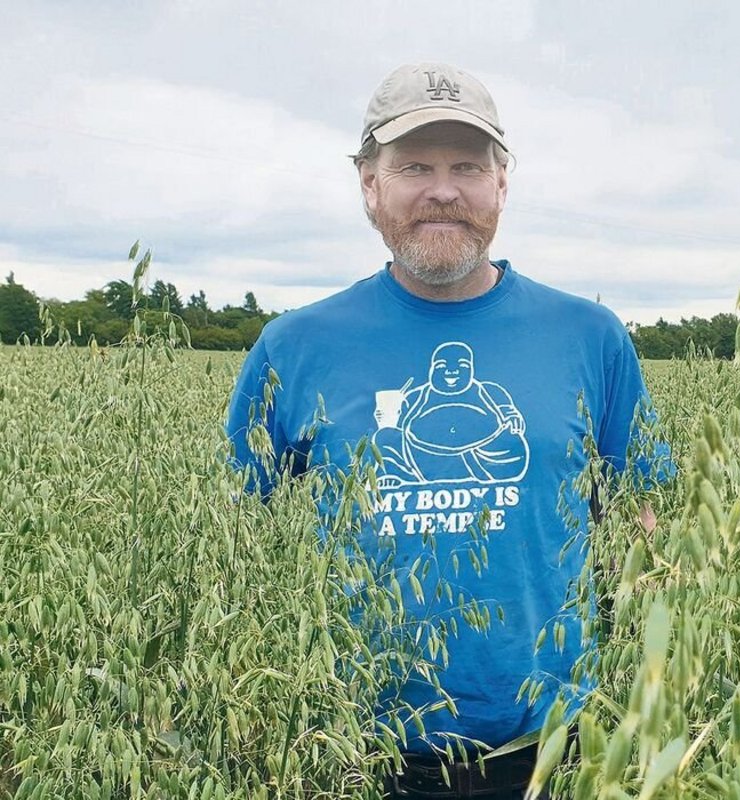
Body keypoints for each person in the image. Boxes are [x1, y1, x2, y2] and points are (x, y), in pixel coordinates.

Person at [225, 62, 669, 798]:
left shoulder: (590, 337)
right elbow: (234, 539)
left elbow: (645, 524)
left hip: (554, 752)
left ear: (502, 184)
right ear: (370, 184)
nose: (443, 190)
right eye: (414, 167)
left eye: (468, 166)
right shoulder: (295, 346)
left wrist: (648, 693)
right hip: (353, 753)